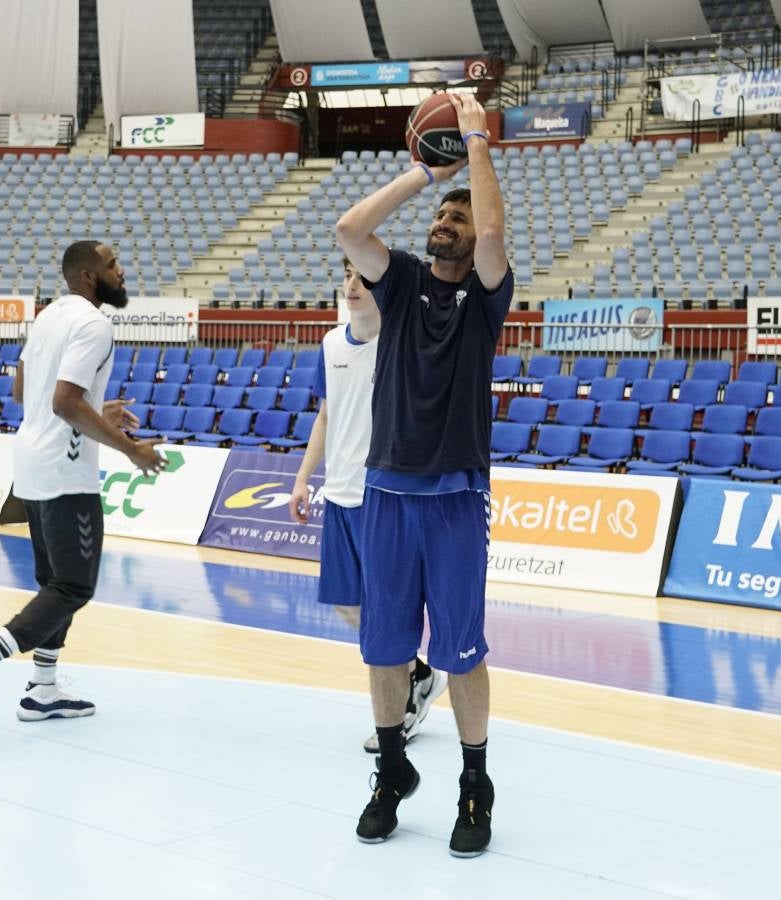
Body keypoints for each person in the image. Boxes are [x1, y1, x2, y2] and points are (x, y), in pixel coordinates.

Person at [335, 92, 512, 858]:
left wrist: (475, 144)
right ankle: (392, 771)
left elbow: (497, 232)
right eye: (442, 217)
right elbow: (350, 230)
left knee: (460, 651)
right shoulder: (400, 278)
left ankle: (476, 782)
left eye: (457, 220)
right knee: (383, 649)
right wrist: (419, 171)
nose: (446, 223)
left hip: (454, 496)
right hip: (386, 490)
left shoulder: (486, 296)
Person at [0, 240, 165, 738]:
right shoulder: (95, 324)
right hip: (65, 470)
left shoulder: (47, 317)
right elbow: (63, 402)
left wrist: (97, 415)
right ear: (87, 276)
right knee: (74, 585)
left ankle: (43, 689)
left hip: (31, 463)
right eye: (112, 265)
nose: (121, 272)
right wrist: (130, 448)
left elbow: (26, 394)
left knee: (54, 582)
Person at [289, 258, 448, 756]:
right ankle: (417, 674)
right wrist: (302, 478)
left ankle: (400, 709)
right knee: (346, 603)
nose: (353, 286)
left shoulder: (401, 342)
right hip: (338, 494)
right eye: (347, 276)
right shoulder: (331, 343)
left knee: (384, 612)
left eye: (363, 278)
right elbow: (327, 413)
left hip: (382, 496)